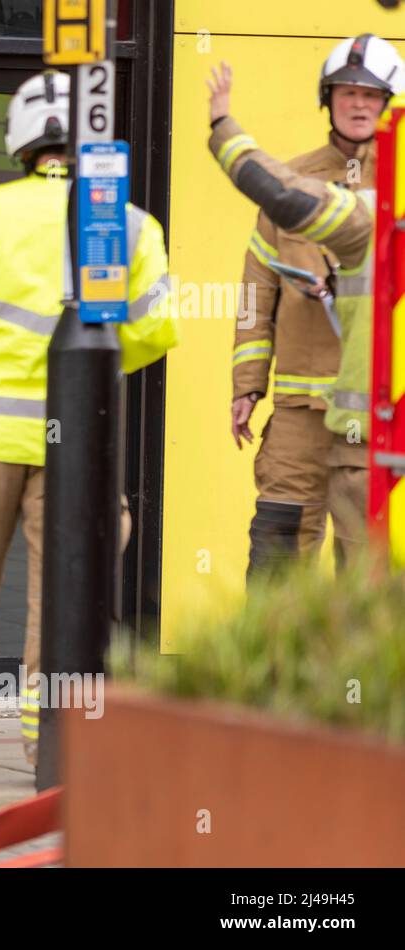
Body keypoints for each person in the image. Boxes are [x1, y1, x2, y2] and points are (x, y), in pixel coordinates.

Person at [0, 71, 180, 781]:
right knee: (67, 598)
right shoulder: (130, 222)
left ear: (21, 140)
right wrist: (90, 375)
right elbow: (157, 328)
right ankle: (55, 748)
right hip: (78, 439)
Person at [207, 39, 403, 565]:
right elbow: (255, 294)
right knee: (277, 549)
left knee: (368, 561)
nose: (359, 104)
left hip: (375, 408)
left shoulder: (401, 183)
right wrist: (247, 386)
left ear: (390, 103)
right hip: (299, 411)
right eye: (347, 92)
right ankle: (273, 653)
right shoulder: (294, 178)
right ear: (328, 98)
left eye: (371, 94)